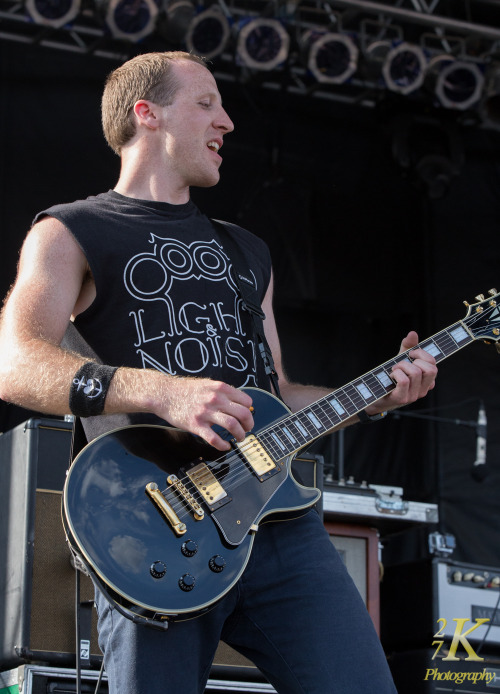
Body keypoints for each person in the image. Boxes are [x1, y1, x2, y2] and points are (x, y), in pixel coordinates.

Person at [0, 50, 437, 694]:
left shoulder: (247, 250)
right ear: (146, 114)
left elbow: (280, 393)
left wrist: (378, 397)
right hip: (156, 524)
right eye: (206, 103)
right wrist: (163, 391)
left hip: (280, 528)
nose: (227, 122)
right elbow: (16, 364)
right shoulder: (71, 230)